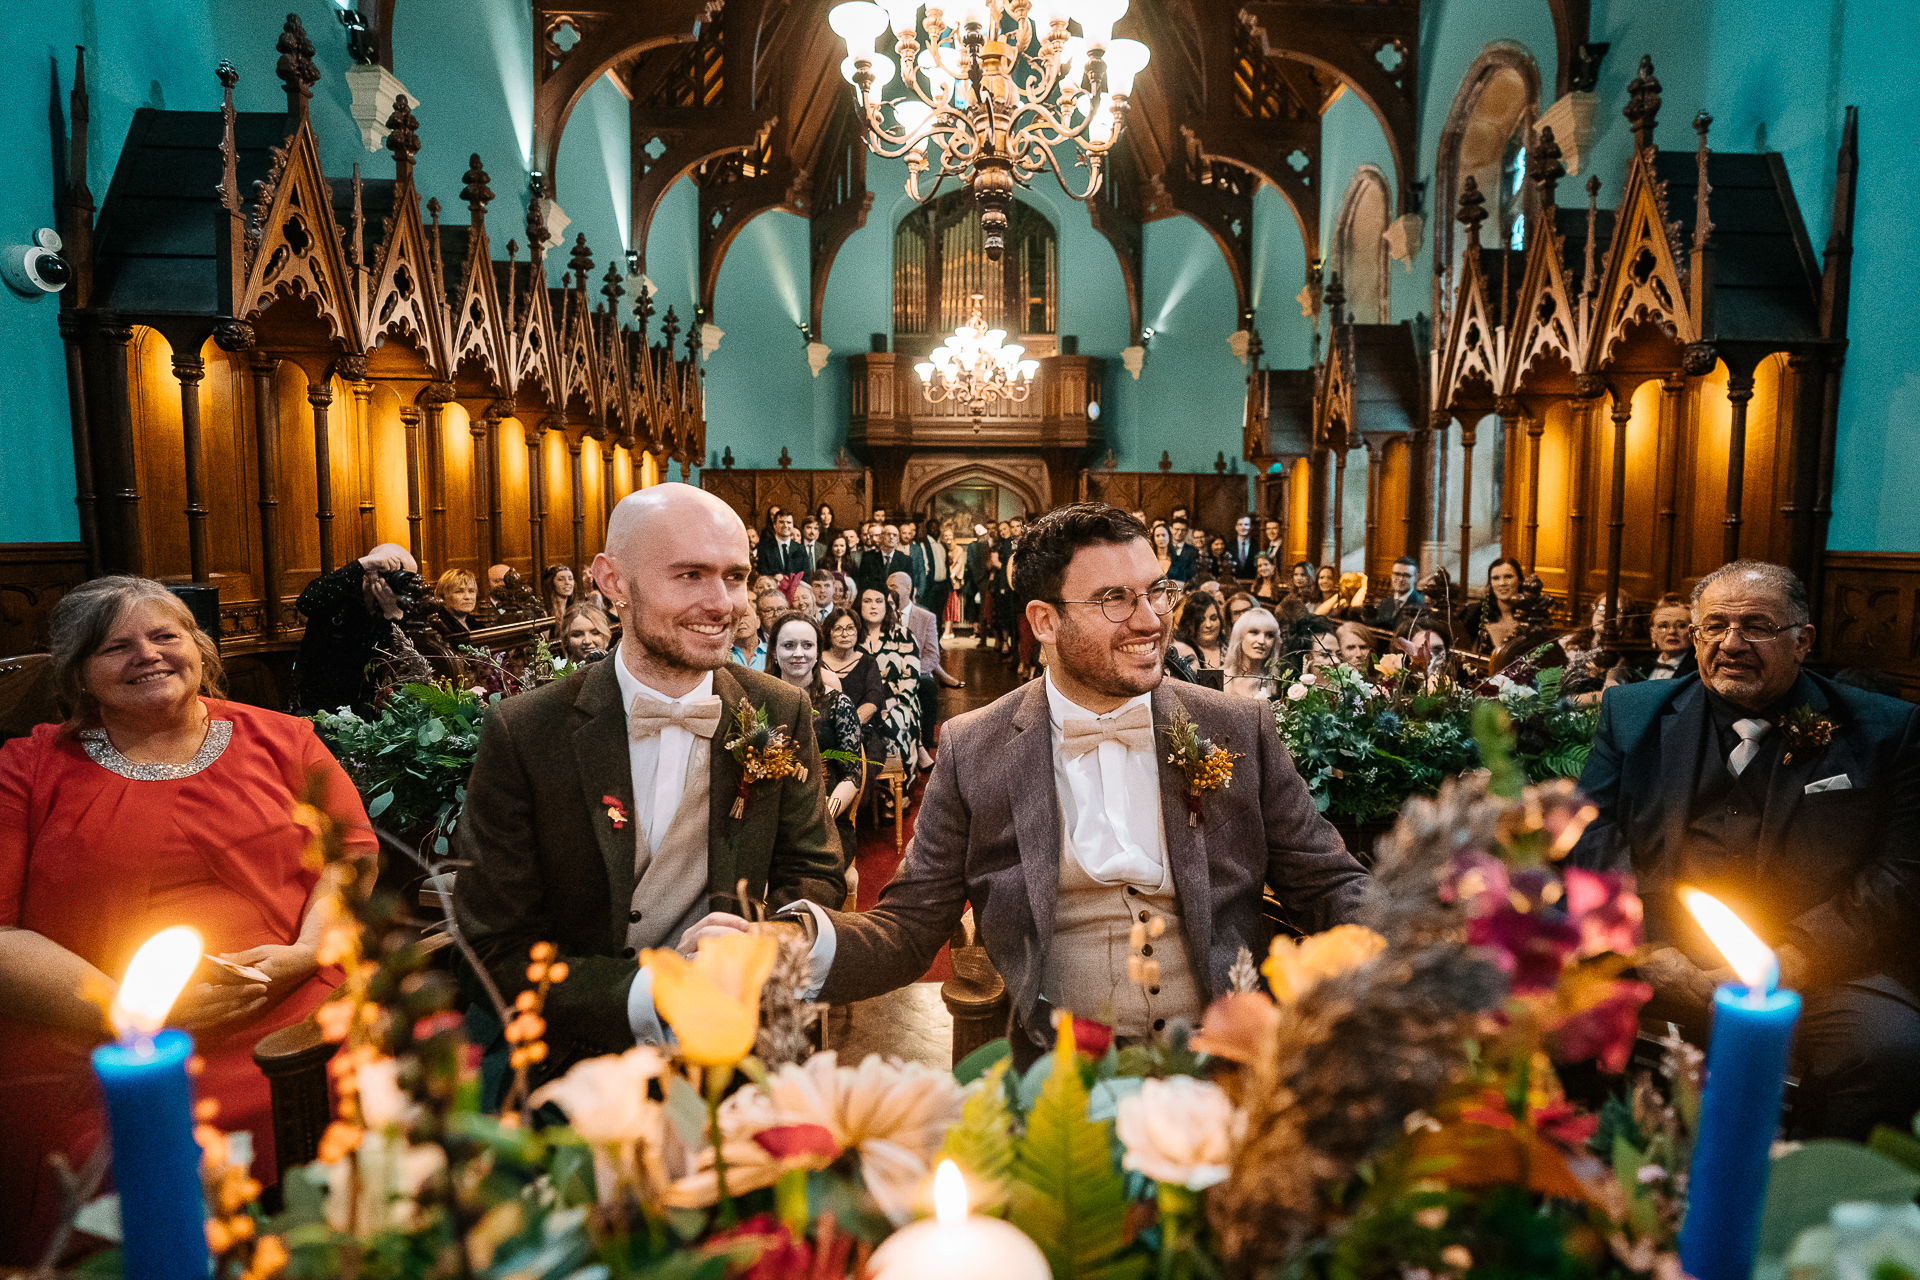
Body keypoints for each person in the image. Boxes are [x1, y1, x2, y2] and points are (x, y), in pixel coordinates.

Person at [788, 503, 1365, 1068]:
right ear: (1045, 621)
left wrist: (1435, 943)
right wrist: (792, 946)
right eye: (1115, 599)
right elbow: (909, 926)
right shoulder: (976, 747)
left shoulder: (1237, 728)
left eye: (1156, 591)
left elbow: (1328, 884)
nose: (1151, 620)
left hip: (1226, 1070)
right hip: (1056, 1080)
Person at [0, 577, 377, 1259]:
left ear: (199, 648)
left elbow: (348, 860)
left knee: (377, 1097)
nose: (147, 655)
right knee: (110, 1155)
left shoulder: (285, 740)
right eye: (115, 646)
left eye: (165, 635)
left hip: (293, 1002)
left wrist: (306, 951)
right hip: (102, 1033)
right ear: (80, 672)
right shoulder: (27, 768)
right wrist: (131, 1009)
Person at [452, 485, 844, 1082]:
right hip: (577, 1058)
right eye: (689, 575)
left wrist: (763, 943)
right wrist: (650, 992)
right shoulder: (527, 732)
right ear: (614, 582)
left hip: (739, 1052)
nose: (723, 604)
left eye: (735, 577)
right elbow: (493, 949)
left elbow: (815, 872)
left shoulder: (777, 712)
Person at [1569, 561, 1920, 1140]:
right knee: (1528, 1003)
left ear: (1803, 641)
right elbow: (1590, 833)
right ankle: (1597, 1185)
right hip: (1654, 952)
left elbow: (1900, 877)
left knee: (1892, 1053)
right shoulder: (1632, 713)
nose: (1732, 644)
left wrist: (1794, 958)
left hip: (1818, 967)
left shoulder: (1886, 731)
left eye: (1756, 626)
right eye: (1714, 627)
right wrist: (1641, 947)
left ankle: (1802, 1202)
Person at [764, 612, 862, 851]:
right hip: (769, 820)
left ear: (818, 652)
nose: (799, 653)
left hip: (826, 818)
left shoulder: (839, 704)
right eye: (788, 645)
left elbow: (853, 775)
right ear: (774, 653)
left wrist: (826, 813)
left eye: (807, 645)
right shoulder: (758, 703)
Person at [292, 542, 422, 714]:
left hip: (370, 710)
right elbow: (305, 602)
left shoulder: (405, 608)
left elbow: (403, 664)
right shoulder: (340, 592)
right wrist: (363, 564)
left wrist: (393, 616)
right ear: (370, 572)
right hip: (320, 705)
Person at [856, 586, 923, 790]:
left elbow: (911, 678)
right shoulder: (852, 635)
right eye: (867, 601)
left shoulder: (902, 635)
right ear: (859, 605)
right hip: (860, 701)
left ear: (887, 606)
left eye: (879, 601)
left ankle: (895, 792)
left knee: (895, 722)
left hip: (899, 701)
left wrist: (890, 703)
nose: (873, 606)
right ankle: (861, 790)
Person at [891, 571, 962, 760]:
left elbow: (932, 656)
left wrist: (910, 671)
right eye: (888, 587)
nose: (890, 591)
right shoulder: (883, 615)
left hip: (918, 671)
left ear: (908, 588)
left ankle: (927, 743)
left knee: (927, 686)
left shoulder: (926, 617)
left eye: (894, 586)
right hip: (888, 671)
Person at [820, 606, 887, 767]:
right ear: (829, 632)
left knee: (862, 765)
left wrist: (848, 729)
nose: (844, 634)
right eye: (838, 629)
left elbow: (873, 699)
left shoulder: (868, 662)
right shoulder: (816, 662)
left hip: (863, 731)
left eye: (850, 628)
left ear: (858, 632)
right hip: (823, 731)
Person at [1459, 557, 1525, 655]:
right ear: (1490, 584)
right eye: (1495, 578)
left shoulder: (1530, 617)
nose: (1502, 583)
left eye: (1508, 577)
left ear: (1519, 580)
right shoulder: (1475, 614)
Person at [1223, 606, 1281, 699]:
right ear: (1240, 636)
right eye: (1254, 632)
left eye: (1269, 635)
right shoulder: (1219, 679)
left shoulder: (1277, 686)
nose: (1262, 641)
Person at [1645, 593, 1698, 680]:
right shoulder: (1640, 666)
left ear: (1693, 632)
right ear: (1652, 633)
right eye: (1663, 626)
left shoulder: (1698, 669)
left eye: (1681, 626)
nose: (1672, 631)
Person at [1170, 592, 1224, 670]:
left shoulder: (1232, 649)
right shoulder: (1179, 653)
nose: (1208, 625)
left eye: (1213, 618)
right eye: (1201, 620)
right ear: (1189, 623)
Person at [857, 523, 913, 598]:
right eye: (888, 534)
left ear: (898, 539)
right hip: (875, 599)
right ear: (881, 537)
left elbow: (908, 586)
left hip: (896, 601)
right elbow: (863, 583)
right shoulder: (868, 558)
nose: (891, 537)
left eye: (895, 535)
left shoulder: (905, 560)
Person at [1372, 556, 1424, 629]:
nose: (1400, 579)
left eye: (1406, 575)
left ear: (1416, 578)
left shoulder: (1421, 604)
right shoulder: (1383, 603)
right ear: (1391, 575)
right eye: (1397, 574)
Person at [757, 511, 808, 578]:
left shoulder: (800, 549)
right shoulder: (764, 548)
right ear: (774, 525)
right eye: (781, 522)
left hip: (797, 588)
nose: (785, 525)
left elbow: (806, 575)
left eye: (789, 522)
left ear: (792, 526)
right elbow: (762, 572)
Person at [434, 567, 480, 638]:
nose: (467, 597)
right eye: (459, 592)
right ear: (443, 596)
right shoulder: (439, 626)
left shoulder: (474, 623)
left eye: (471, 591)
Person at [542, 563, 578, 633]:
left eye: (570, 579)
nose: (567, 583)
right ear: (551, 583)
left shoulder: (574, 608)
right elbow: (543, 642)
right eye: (561, 579)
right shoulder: (545, 612)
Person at [729, 604, 766, 670]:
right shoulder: (724, 655)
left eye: (745, 615)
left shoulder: (772, 653)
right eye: (735, 618)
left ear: (757, 621)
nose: (741, 621)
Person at [1228, 515, 1259, 580]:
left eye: (1246, 524)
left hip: (1252, 583)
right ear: (1236, 527)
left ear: (1252, 527)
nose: (1243, 527)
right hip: (1233, 583)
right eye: (1240, 524)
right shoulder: (1229, 545)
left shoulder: (1258, 544)